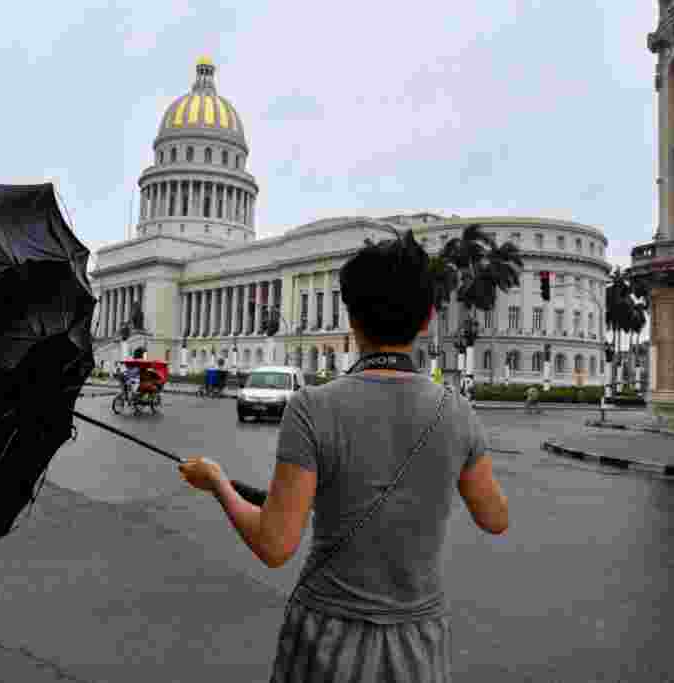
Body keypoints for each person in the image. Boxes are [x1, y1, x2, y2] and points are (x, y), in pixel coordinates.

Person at [180, 228, 509, 681]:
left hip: (326, 636)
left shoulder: (313, 408)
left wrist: (217, 482)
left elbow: (275, 546)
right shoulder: (457, 412)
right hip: (417, 640)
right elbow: (495, 518)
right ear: (428, 317)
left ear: (351, 319)